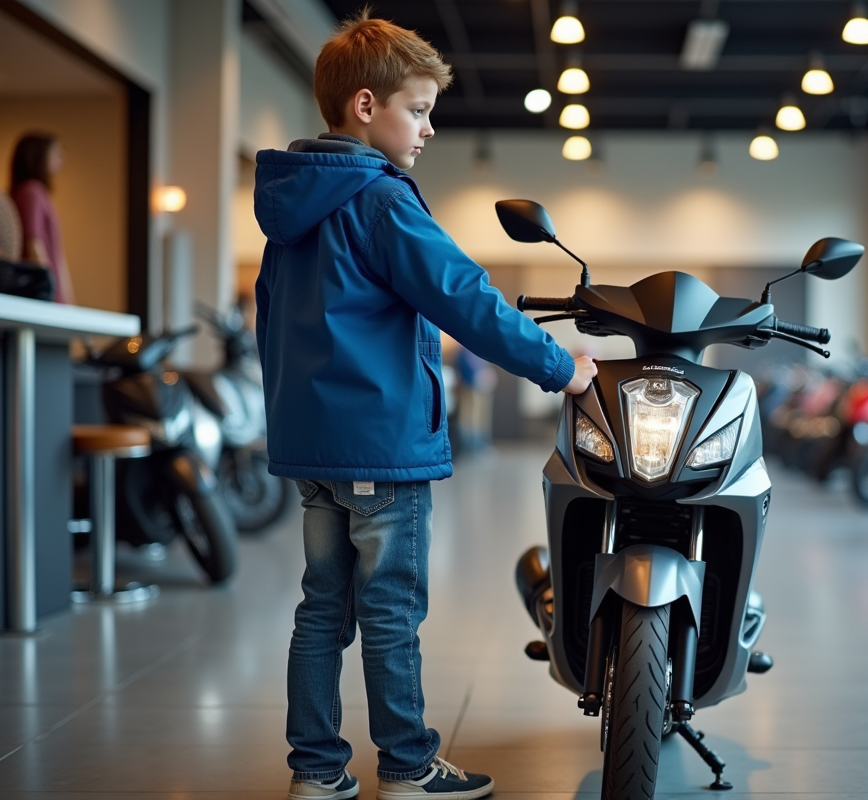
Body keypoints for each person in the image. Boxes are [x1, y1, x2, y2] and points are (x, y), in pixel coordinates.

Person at [252, 12, 597, 800]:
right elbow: (464, 299)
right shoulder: (380, 201)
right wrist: (561, 369)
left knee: (321, 608)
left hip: (314, 449)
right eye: (418, 110)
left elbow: (270, 326)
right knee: (390, 610)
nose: (429, 128)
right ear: (365, 106)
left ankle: (316, 771)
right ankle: (407, 767)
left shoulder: (292, 209)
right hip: (382, 447)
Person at [9, 132, 74, 303]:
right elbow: (34, 244)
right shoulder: (32, 192)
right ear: (39, 156)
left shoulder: (39, 194)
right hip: (43, 295)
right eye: (56, 153)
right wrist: (48, 290)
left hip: (49, 293)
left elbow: (58, 257)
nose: (62, 158)